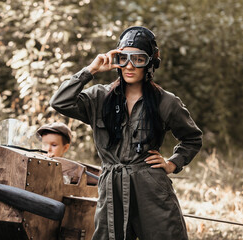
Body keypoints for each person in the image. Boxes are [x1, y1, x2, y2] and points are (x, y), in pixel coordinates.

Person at [50, 26, 202, 240]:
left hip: (150, 186)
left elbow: (192, 138)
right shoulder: (99, 98)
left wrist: (172, 163)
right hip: (112, 186)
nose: (129, 66)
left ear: (149, 63)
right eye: (123, 58)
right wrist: (90, 70)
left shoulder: (165, 102)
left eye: (138, 59)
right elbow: (60, 101)